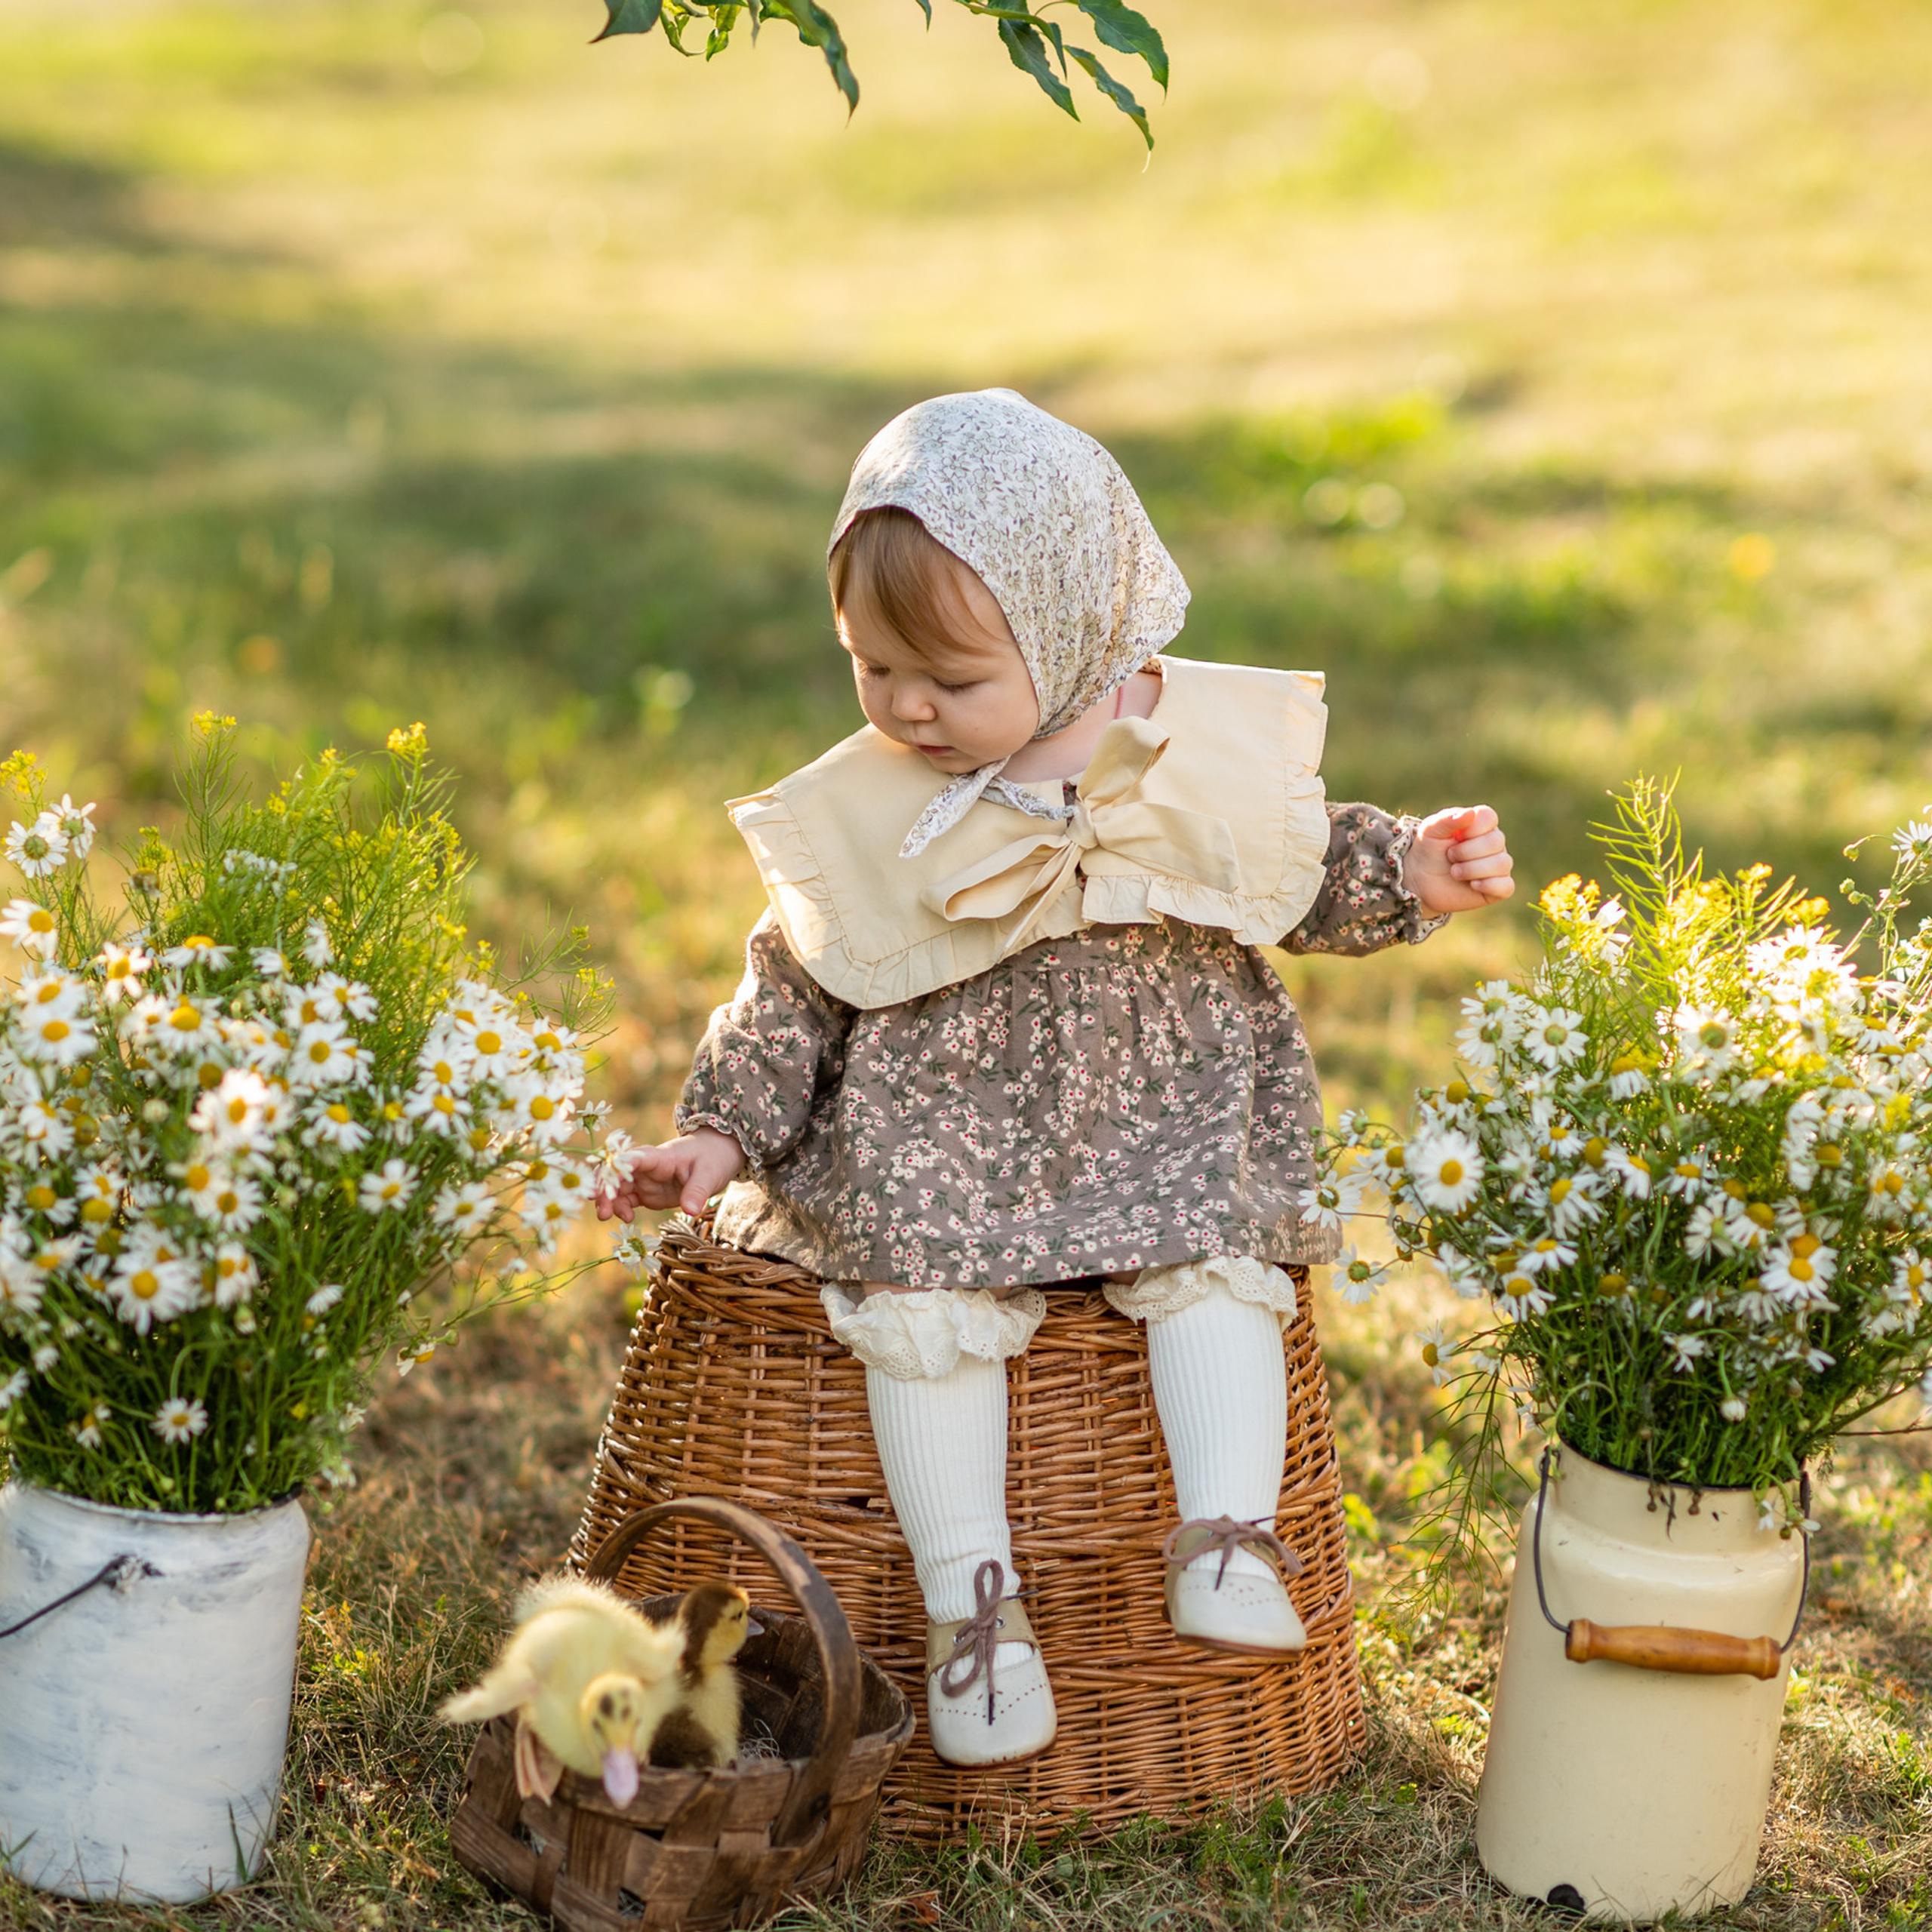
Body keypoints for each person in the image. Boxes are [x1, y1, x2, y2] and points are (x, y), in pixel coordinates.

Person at [598, 389, 1513, 1767]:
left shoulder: (1184, 747)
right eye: (872, 667)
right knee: (916, 1307)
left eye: (952, 680)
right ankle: (975, 1611)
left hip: (1164, 1121)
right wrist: (717, 1137)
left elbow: (1291, 865)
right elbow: (795, 983)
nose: (907, 706)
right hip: (948, 1151)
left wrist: (1414, 872)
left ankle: (1226, 1538)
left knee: (1221, 1261)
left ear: (1074, 629)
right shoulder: (880, 800)